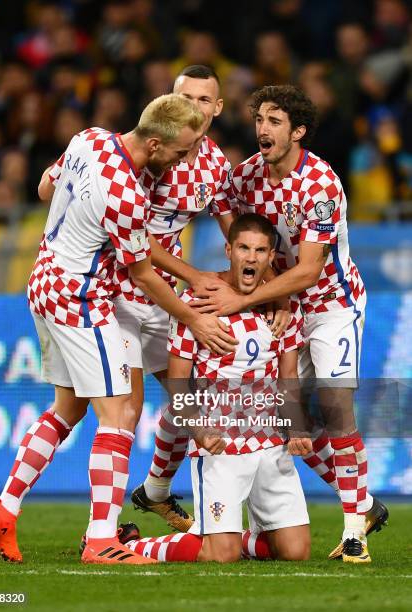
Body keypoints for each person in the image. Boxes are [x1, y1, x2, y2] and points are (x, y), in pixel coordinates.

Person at [0, 93, 238, 566]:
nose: (182, 161)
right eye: (178, 153)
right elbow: (143, 276)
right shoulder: (127, 196)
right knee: (119, 416)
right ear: (154, 145)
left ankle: (4, 509)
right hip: (81, 297)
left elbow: (43, 189)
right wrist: (194, 317)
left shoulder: (89, 138)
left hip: (43, 280)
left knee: (65, 410)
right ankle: (100, 541)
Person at [194, 85, 388, 563]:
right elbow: (226, 212)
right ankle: (362, 503)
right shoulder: (246, 176)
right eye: (260, 118)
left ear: (298, 131)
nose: (263, 128)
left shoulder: (320, 184)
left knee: (336, 407)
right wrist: (260, 281)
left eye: (275, 121)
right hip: (280, 303)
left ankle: (353, 533)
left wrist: (249, 297)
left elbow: (309, 270)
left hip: (329, 306)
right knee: (282, 419)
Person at [120, 65, 290, 532]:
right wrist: (195, 275)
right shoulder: (150, 151)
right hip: (115, 290)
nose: (192, 107)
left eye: (202, 100)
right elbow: (132, 238)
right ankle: (102, 530)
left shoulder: (215, 166)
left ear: (216, 109)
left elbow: (237, 236)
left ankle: (154, 491)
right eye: (184, 97)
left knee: (186, 396)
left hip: (164, 296)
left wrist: (267, 290)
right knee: (124, 409)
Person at [118, 214, 310, 563]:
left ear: (270, 258)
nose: (251, 257)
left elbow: (289, 379)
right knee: (220, 556)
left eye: (260, 250)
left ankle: (236, 537)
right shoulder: (197, 302)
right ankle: (131, 544)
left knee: (296, 553)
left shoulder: (283, 308)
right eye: (243, 248)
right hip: (220, 446)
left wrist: (296, 425)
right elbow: (178, 382)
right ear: (229, 250)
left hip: (269, 444)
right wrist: (199, 429)